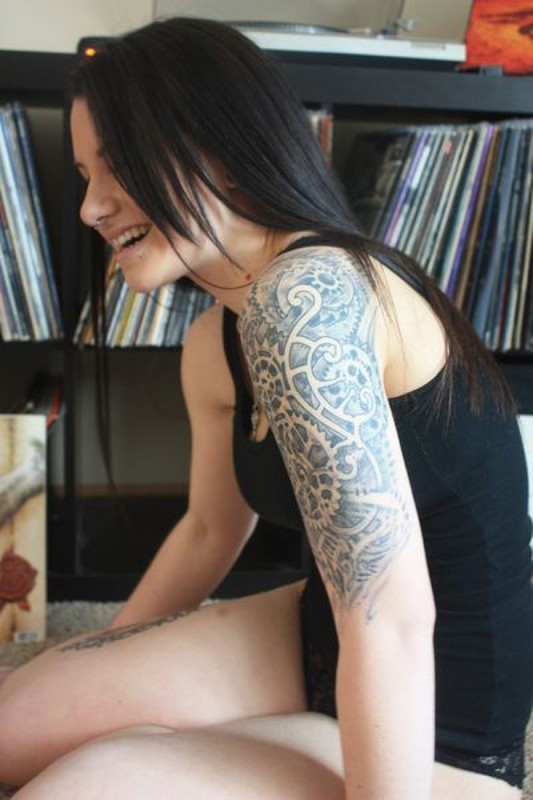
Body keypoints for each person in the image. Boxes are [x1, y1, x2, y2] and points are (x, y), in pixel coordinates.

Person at [0, 16, 531, 800]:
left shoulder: (306, 301)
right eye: (84, 175)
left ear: (219, 148)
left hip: (437, 721)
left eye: (117, 166)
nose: (90, 207)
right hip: (316, 633)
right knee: (14, 725)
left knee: (75, 788)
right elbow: (209, 530)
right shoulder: (217, 339)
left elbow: (391, 615)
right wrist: (105, 660)